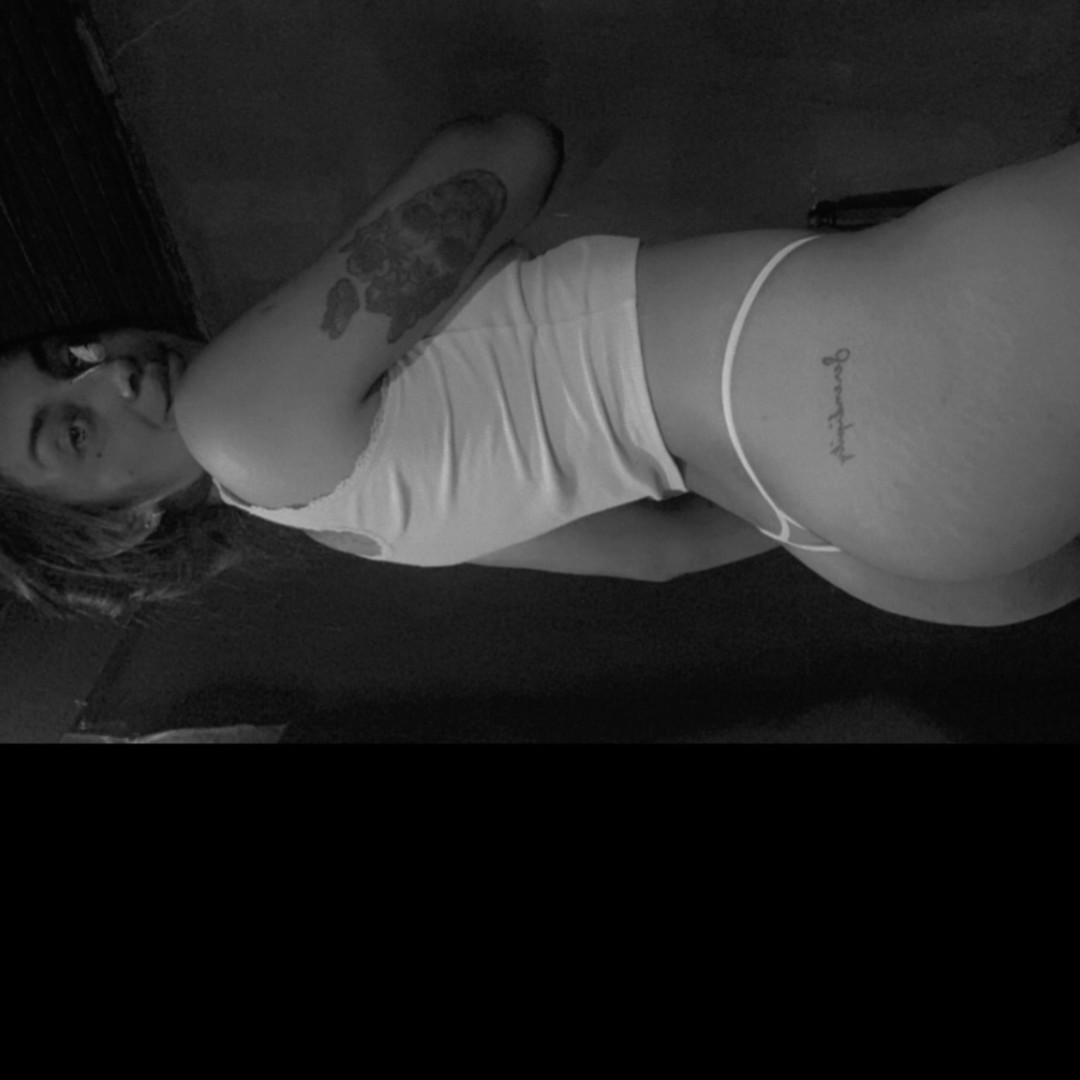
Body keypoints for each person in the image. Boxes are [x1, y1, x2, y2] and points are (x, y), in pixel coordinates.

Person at [4, 111, 1080, 627]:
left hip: (873, 538)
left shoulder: (351, 527)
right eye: (75, 430)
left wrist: (842, 487)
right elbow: (508, 150)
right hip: (864, 379)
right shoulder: (237, 416)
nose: (109, 372)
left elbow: (658, 554)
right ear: (122, 529)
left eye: (68, 356)